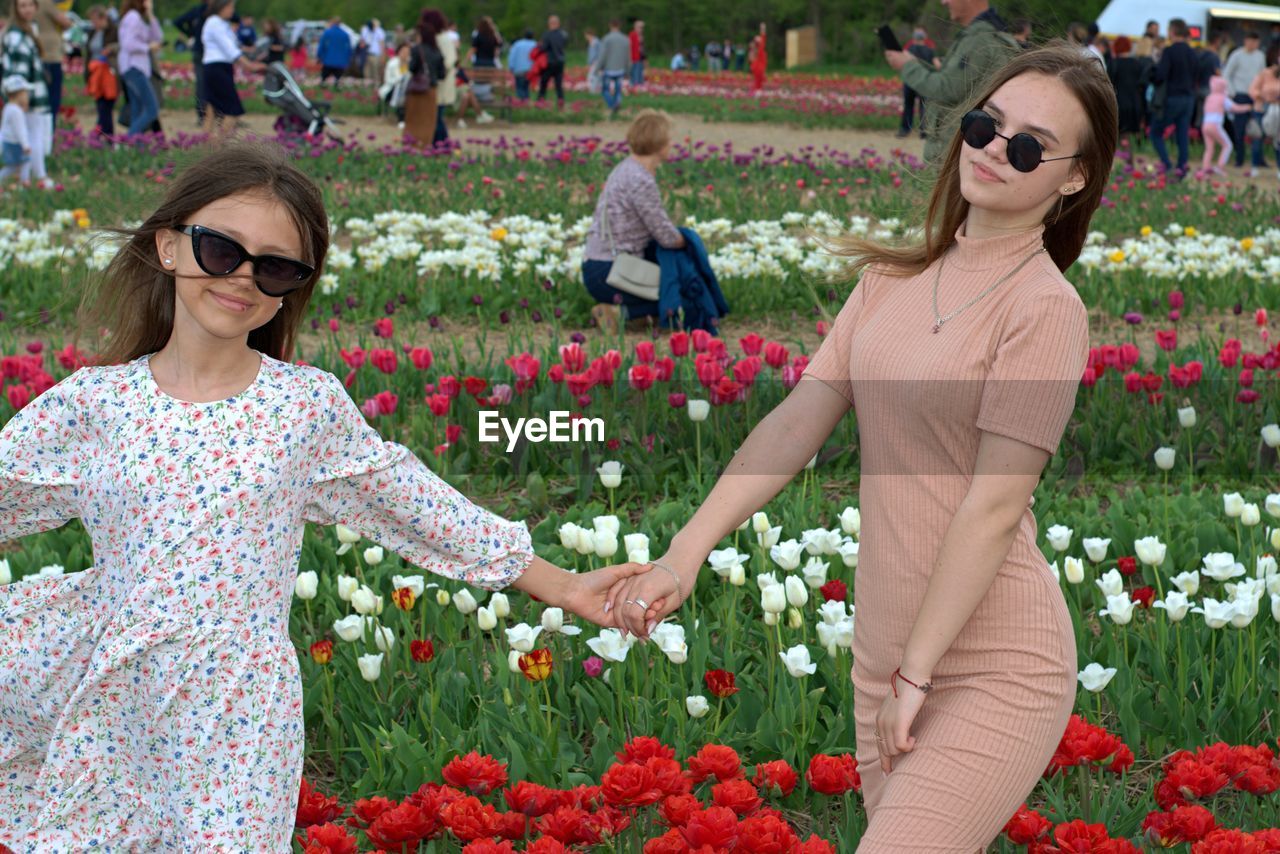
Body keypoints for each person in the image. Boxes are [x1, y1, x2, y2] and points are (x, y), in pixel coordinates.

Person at [0, 142, 648, 850]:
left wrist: (565, 586)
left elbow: (417, 507)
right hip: (116, 691)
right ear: (168, 247)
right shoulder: (95, 405)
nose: (242, 277)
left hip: (237, 712)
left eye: (274, 266)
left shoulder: (302, 408)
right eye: (221, 249)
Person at [609, 43, 1117, 851]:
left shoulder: (1044, 310)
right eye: (988, 125)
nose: (994, 148)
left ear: (1073, 178)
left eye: (1028, 146)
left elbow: (995, 506)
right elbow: (792, 426)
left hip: (990, 659)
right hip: (883, 652)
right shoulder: (891, 282)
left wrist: (917, 673)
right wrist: (684, 553)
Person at [581, 109, 687, 334]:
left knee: (673, 285)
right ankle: (622, 313)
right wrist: (687, 241)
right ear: (658, 144)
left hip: (598, 266)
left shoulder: (625, 168)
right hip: (612, 272)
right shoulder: (640, 180)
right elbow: (665, 236)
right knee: (681, 291)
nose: (671, 144)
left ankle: (638, 314)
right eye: (668, 140)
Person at [885, 0, 1021, 166]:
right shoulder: (986, 35)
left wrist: (908, 66)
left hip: (957, 153)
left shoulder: (980, 40)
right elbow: (954, 79)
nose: (943, 2)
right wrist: (914, 63)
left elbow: (948, 89)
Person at [1, 0, 52, 188]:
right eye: (22, 5)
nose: (27, 9)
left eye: (30, 4)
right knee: (34, 137)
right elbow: (17, 69)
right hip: (27, 96)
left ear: (36, 6)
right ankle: (40, 177)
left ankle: (29, 177)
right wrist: (21, 96)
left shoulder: (29, 28)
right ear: (15, 8)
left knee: (33, 136)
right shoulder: (15, 34)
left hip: (30, 92)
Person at [200, 0, 265, 140]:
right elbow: (229, 48)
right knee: (233, 110)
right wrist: (249, 65)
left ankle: (204, 149)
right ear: (222, 7)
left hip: (215, 67)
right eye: (231, 7)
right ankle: (217, 145)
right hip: (217, 67)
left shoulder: (221, 24)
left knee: (211, 111)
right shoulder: (215, 23)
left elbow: (234, 45)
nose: (232, 11)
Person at [1149, 18, 1197, 179]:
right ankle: (1181, 170)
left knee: (1156, 132)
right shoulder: (1192, 52)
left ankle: (1167, 164)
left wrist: (1153, 75)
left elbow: (1161, 75)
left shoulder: (1169, 51)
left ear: (1173, 31)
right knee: (1182, 135)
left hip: (1172, 97)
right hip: (1189, 98)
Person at [116, 0, 162, 138]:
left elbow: (157, 37)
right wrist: (147, 47)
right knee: (152, 109)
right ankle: (129, 139)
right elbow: (128, 44)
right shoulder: (133, 17)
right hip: (134, 67)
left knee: (137, 109)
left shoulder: (137, 18)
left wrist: (151, 15)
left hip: (132, 68)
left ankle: (138, 147)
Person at [1224, 30, 1266, 171]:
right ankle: (1239, 158)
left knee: (1258, 127)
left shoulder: (1260, 56)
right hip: (1240, 94)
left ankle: (1259, 158)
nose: (1252, 44)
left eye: (1255, 42)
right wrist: (1231, 92)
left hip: (1255, 95)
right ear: (1245, 41)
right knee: (1239, 129)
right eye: (1250, 41)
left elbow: (1262, 75)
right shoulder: (1237, 55)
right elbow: (1227, 74)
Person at [405, 10, 445, 148]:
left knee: (413, 120)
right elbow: (442, 74)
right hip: (431, 90)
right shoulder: (437, 51)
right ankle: (425, 145)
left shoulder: (417, 49)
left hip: (416, 90)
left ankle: (411, 145)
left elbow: (412, 68)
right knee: (428, 121)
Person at [1196, 74, 1250, 178]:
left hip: (1205, 125)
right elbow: (1234, 108)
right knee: (1227, 145)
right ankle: (1220, 166)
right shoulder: (1222, 98)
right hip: (1215, 125)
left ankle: (1205, 168)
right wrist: (1247, 107)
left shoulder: (1209, 97)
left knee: (1209, 148)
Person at [1109, 35, 1151, 154]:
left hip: (1119, 103)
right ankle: (1130, 160)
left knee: (1119, 135)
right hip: (1135, 103)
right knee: (1132, 136)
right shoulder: (1136, 63)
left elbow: (1109, 85)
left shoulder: (1113, 63)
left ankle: (1118, 161)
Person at [33, 0, 68, 131]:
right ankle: (48, 132)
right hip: (50, 55)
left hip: (40, 53)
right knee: (52, 98)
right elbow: (66, 22)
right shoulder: (46, 3)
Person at [85, 5, 119, 138]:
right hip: (95, 73)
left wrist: (111, 49)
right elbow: (88, 53)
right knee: (101, 106)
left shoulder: (114, 30)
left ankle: (100, 135)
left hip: (109, 72)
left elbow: (122, 45)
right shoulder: (93, 32)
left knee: (106, 106)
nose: (93, 23)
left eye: (95, 20)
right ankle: (105, 137)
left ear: (103, 18)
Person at [174, 0, 211, 121]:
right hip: (209, 52)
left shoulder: (196, 11)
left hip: (198, 51)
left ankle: (202, 115)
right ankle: (214, 114)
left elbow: (177, 21)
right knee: (211, 83)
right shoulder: (213, 11)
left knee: (201, 84)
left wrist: (190, 33)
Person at [898, 27, 936, 138]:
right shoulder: (930, 50)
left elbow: (903, 65)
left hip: (910, 82)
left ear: (913, 38)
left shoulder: (908, 50)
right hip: (924, 82)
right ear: (924, 38)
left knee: (908, 105)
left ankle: (905, 130)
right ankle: (924, 132)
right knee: (924, 106)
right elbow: (935, 66)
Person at [0, 74, 32, 185]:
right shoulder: (16, 112)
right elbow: (20, 130)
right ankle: (24, 183)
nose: (27, 96)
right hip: (15, 143)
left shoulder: (8, 107)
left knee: (13, 166)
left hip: (7, 142)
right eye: (25, 93)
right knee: (23, 163)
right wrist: (26, 145)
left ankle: (22, 183)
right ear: (18, 94)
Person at [599, 19, 629, 117]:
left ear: (610, 26)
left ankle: (612, 104)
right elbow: (628, 56)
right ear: (619, 26)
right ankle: (617, 103)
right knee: (618, 89)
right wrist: (628, 69)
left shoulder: (606, 39)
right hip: (620, 68)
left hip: (609, 68)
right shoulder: (625, 39)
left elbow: (603, 55)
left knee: (605, 89)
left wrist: (599, 67)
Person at [536, 14, 567, 108]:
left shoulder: (547, 34)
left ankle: (541, 100)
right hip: (560, 62)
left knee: (544, 82)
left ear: (551, 24)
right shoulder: (563, 34)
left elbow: (543, 48)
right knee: (558, 83)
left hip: (549, 62)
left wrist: (539, 46)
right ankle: (560, 99)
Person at [317, 16, 350, 89]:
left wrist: (320, 56)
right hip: (340, 62)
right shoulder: (345, 34)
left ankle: (323, 91)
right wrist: (346, 59)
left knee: (323, 79)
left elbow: (322, 46)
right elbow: (348, 49)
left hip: (328, 60)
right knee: (337, 80)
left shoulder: (327, 32)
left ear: (332, 23)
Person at [508, 28, 535, 101]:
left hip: (519, 70)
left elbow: (512, 56)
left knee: (519, 87)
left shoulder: (517, 44)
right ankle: (526, 100)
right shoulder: (535, 44)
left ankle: (522, 102)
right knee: (526, 87)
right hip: (531, 70)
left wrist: (511, 66)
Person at [362, 18, 386, 82]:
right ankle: (367, 88)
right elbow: (363, 41)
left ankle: (375, 89)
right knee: (367, 73)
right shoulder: (366, 30)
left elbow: (382, 44)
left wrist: (382, 55)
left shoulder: (379, 31)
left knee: (375, 73)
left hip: (375, 55)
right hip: (366, 54)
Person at [749, 22, 767, 93]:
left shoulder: (758, 49)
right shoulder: (759, 49)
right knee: (758, 81)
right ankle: (756, 90)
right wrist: (762, 28)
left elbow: (763, 38)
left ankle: (756, 90)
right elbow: (763, 37)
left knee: (758, 81)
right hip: (758, 67)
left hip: (757, 66)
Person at [629, 19, 644, 88]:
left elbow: (642, 49)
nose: (641, 29)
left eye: (642, 27)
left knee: (640, 73)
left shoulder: (641, 36)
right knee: (635, 74)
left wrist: (644, 58)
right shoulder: (632, 35)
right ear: (635, 27)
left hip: (640, 58)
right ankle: (634, 88)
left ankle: (639, 87)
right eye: (640, 27)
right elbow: (629, 47)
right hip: (633, 58)